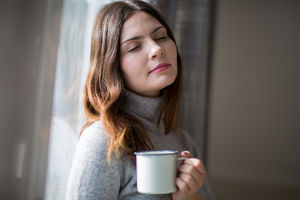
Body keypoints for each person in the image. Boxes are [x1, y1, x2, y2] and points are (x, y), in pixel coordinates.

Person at [66, 0, 214, 199]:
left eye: (161, 36)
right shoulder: (101, 141)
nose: (157, 49)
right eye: (134, 47)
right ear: (112, 66)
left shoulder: (185, 141)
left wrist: (190, 196)